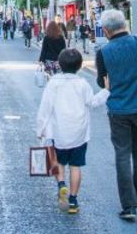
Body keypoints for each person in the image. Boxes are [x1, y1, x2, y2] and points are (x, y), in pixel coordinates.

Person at [95, 9, 137, 223]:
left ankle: (128, 205)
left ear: (105, 30)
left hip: (119, 110)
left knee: (122, 155)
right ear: (125, 23)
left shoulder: (103, 52)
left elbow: (100, 82)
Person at [36, 48, 108, 215]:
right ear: (80, 66)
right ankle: (73, 201)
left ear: (60, 65)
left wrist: (40, 129)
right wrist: (106, 91)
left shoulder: (53, 83)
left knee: (59, 162)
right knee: (76, 166)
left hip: (58, 132)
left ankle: (61, 185)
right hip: (79, 134)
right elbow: (92, 102)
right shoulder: (82, 84)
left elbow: (45, 108)